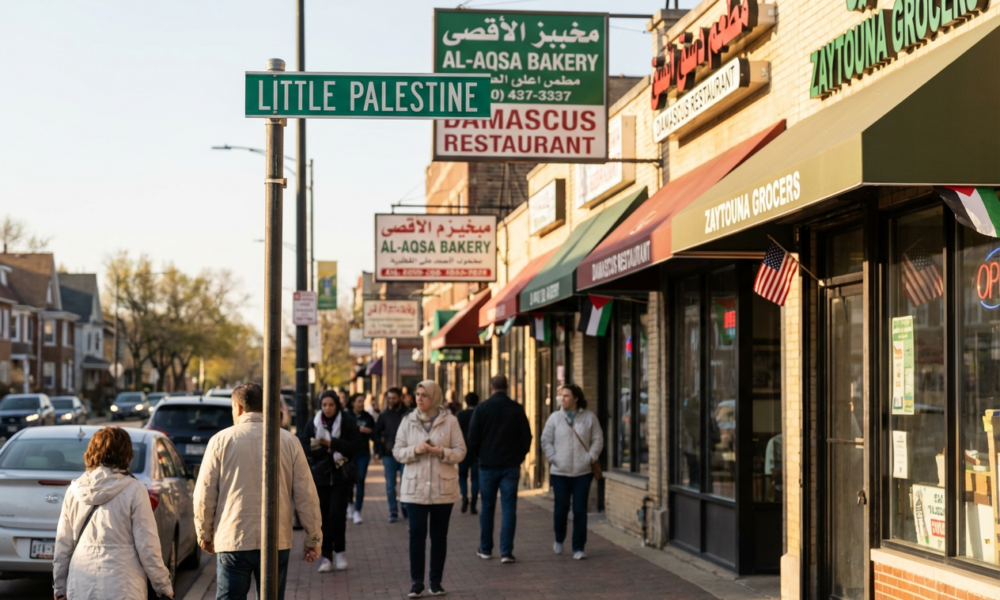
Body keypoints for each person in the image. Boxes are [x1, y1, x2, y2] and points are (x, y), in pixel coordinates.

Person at [194, 383, 322, 600]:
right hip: (277, 538)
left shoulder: (220, 441)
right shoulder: (289, 441)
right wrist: (313, 538)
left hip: (233, 537)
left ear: (238, 407)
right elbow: (306, 495)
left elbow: (204, 494)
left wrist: (204, 533)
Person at [53, 426, 174, 600]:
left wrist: (59, 587)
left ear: (91, 452)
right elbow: (147, 545)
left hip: (81, 582)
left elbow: (63, 544)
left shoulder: (74, 490)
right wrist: (162, 585)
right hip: (124, 583)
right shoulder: (134, 490)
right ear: (126, 454)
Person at [393, 380, 466, 598]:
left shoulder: (451, 421)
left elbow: (461, 451)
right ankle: (417, 582)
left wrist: (441, 452)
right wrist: (415, 450)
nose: (419, 398)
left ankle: (436, 582)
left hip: (443, 489)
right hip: (414, 489)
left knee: (439, 536)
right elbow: (397, 451)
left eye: (424, 395)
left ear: (434, 397)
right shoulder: (407, 421)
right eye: (417, 394)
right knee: (416, 534)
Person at [466, 374, 532, 564]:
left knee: (487, 507)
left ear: (491, 387)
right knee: (509, 508)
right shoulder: (516, 408)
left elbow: (473, 438)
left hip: (488, 465)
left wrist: (480, 455)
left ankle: (486, 548)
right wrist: (519, 457)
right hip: (510, 465)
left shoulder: (482, 408)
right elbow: (526, 437)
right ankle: (506, 552)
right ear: (507, 387)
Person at [300, 390, 364, 572]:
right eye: (324, 405)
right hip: (320, 476)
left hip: (340, 476)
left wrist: (332, 443)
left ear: (337, 405)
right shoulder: (313, 423)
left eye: (331, 405)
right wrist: (323, 450)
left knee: (337, 515)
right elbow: (304, 445)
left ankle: (340, 552)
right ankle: (326, 556)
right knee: (322, 517)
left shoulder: (346, 422)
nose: (327, 408)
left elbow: (355, 445)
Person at [541, 384, 604, 560]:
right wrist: (554, 458)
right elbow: (546, 440)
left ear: (576, 398)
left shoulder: (589, 418)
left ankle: (578, 547)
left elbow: (598, 439)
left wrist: (590, 458)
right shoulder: (554, 418)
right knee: (561, 509)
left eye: (566, 396)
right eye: (561, 396)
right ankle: (559, 538)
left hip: (583, 473)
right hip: (560, 473)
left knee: (580, 510)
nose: (563, 399)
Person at [374, 387, 409, 522]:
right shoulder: (384, 415)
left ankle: (405, 506)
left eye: (394, 398)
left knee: (406, 483)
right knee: (390, 485)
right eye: (389, 398)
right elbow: (376, 433)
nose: (391, 400)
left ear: (400, 397)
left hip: (406, 454)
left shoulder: (408, 414)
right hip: (389, 454)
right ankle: (393, 511)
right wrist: (378, 450)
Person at [348, 393, 375, 524]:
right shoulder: (346, 416)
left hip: (363, 454)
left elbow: (374, 433)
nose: (361, 403)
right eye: (358, 401)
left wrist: (368, 431)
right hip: (349, 454)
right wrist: (358, 429)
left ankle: (357, 511)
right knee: (349, 481)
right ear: (353, 402)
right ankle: (349, 504)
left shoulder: (368, 417)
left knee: (360, 481)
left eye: (362, 401)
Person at [456, 391, 480, 514]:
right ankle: (473, 503)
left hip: (463, 450)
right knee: (475, 478)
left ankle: (464, 497)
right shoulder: (480, 413)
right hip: (477, 451)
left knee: (462, 476)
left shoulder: (460, 415)